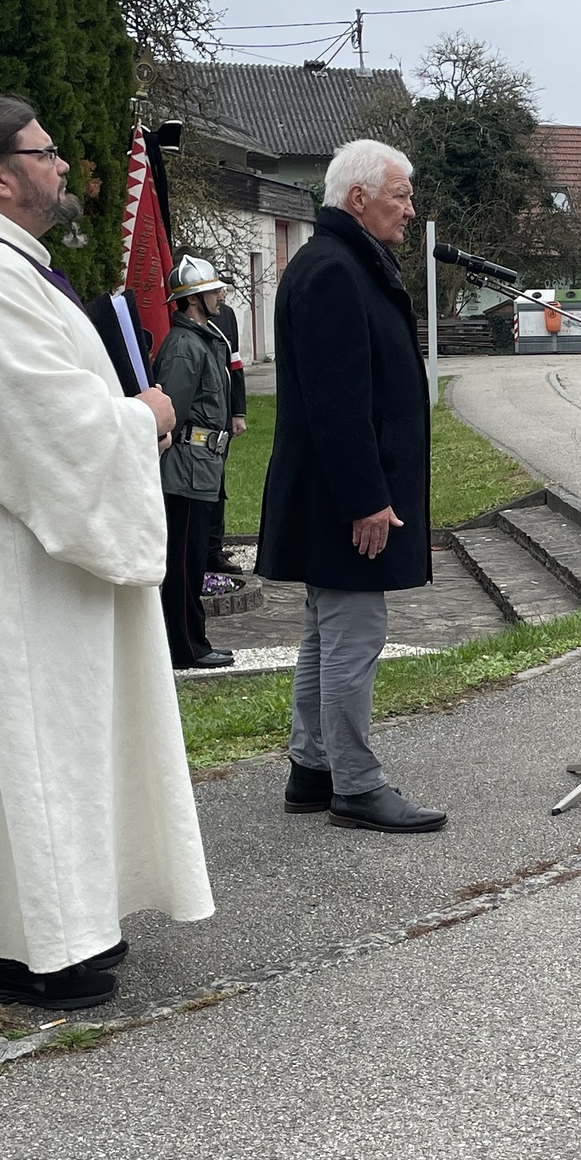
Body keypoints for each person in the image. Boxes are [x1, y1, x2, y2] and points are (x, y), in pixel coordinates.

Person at [0, 94, 211, 1009]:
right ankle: (34, 950)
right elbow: (43, 430)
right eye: (44, 152)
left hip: (44, 564)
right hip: (24, 573)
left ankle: (68, 926)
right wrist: (144, 416)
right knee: (36, 744)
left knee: (64, 746)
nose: (61, 166)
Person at [258, 138, 445, 832]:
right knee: (354, 635)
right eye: (400, 195)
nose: (410, 209)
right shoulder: (335, 270)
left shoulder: (339, 261)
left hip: (330, 493)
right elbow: (337, 403)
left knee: (327, 631)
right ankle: (356, 786)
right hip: (345, 498)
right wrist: (367, 498)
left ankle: (312, 769)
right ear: (358, 199)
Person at [155, 256, 239, 669]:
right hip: (185, 470)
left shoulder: (203, 339)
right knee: (183, 564)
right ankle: (186, 648)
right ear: (193, 299)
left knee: (191, 561)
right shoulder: (185, 347)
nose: (220, 295)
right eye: (212, 290)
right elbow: (169, 414)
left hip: (202, 467)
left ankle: (192, 642)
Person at [205, 284, 248, 575]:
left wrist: (237, 411)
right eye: (215, 289)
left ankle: (213, 548)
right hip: (198, 417)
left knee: (219, 484)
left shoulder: (227, 315)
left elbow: (235, 364)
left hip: (222, 414)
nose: (221, 295)